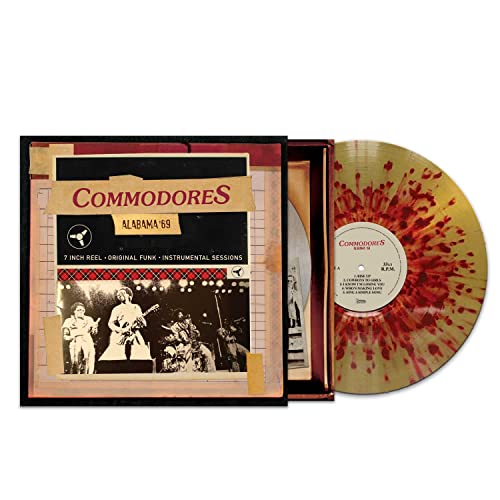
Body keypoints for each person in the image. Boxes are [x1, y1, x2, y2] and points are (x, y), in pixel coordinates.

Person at [100, 286, 150, 361]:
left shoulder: (136, 307)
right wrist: (121, 330)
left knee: (139, 358)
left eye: (122, 293)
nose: (120, 295)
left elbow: (144, 324)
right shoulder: (116, 309)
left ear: (129, 296)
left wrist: (141, 321)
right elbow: (110, 323)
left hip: (135, 335)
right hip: (121, 335)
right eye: (118, 294)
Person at [62, 302, 99, 374]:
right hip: (75, 343)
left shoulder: (89, 319)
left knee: (88, 361)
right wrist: (72, 338)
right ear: (74, 311)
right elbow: (65, 336)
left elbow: (94, 333)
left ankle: (89, 376)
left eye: (83, 310)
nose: (81, 311)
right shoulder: (68, 321)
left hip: (88, 342)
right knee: (75, 362)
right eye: (79, 310)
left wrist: (94, 328)